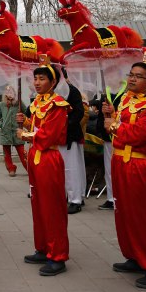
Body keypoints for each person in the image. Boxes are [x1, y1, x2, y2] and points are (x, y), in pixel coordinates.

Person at [103, 52, 146, 289]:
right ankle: (135, 256)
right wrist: (110, 115)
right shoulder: (126, 100)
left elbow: (140, 135)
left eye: (138, 76)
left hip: (139, 165)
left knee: (145, 217)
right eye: (131, 75)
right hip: (120, 162)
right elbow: (119, 127)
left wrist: (114, 127)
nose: (132, 79)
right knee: (123, 213)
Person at [16, 55, 70, 276]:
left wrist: (25, 133)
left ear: (53, 81)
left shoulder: (58, 105)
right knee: (38, 206)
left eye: (42, 79)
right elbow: (38, 127)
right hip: (36, 157)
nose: (37, 82)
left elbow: (48, 136)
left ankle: (58, 256)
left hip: (48, 158)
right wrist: (27, 121)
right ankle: (43, 247)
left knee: (52, 208)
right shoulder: (38, 103)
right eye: (35, 78)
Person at [59, 68, 87, 214]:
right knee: (59, 170)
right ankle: (64, 196)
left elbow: (79, 112)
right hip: (54, 138)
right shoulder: (47, 94)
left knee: (71, 169)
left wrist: (63, 125)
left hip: (69, 136)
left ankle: (75, 200)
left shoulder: (72, 91)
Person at [94, 88, 125, 210]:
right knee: (109, 169)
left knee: (121, 169)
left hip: (123, 137)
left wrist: (114, 112)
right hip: (108, 136)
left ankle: (122, 198)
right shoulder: (107, 91)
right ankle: (111, 198)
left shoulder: (127, 91)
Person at [0, 85, 27, 176]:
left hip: (17, 131)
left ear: (15, 93)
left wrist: (23, 121)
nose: (9, 94)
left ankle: (29, 168)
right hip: (5, 132)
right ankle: (11, 169)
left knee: (22, 152)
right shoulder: (2, 104)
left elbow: (26, 113)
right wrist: (1, 124)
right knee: (7, 153)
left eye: (11, 92)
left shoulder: (19, 103)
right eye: (7, 92)